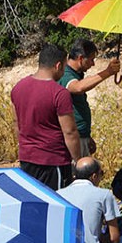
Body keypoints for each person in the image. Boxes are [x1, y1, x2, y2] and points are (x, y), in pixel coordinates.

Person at [11, 44, 81, 190]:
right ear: (58, 65)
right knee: (57, 204)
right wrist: (78, 160)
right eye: (64, 67)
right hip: (53, 161)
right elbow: (70, 132)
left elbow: (16, 124)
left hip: (27, 159)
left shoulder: (18, 87)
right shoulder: (59, 93)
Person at [59, 39, 121, 156]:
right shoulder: (66, 74)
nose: (93, 64)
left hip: (81, 136)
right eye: (91, 59)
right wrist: (107, 72)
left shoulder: (76, 74)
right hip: (73, 139)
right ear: (81, 58)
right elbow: (77, 87)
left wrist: (87, 136)